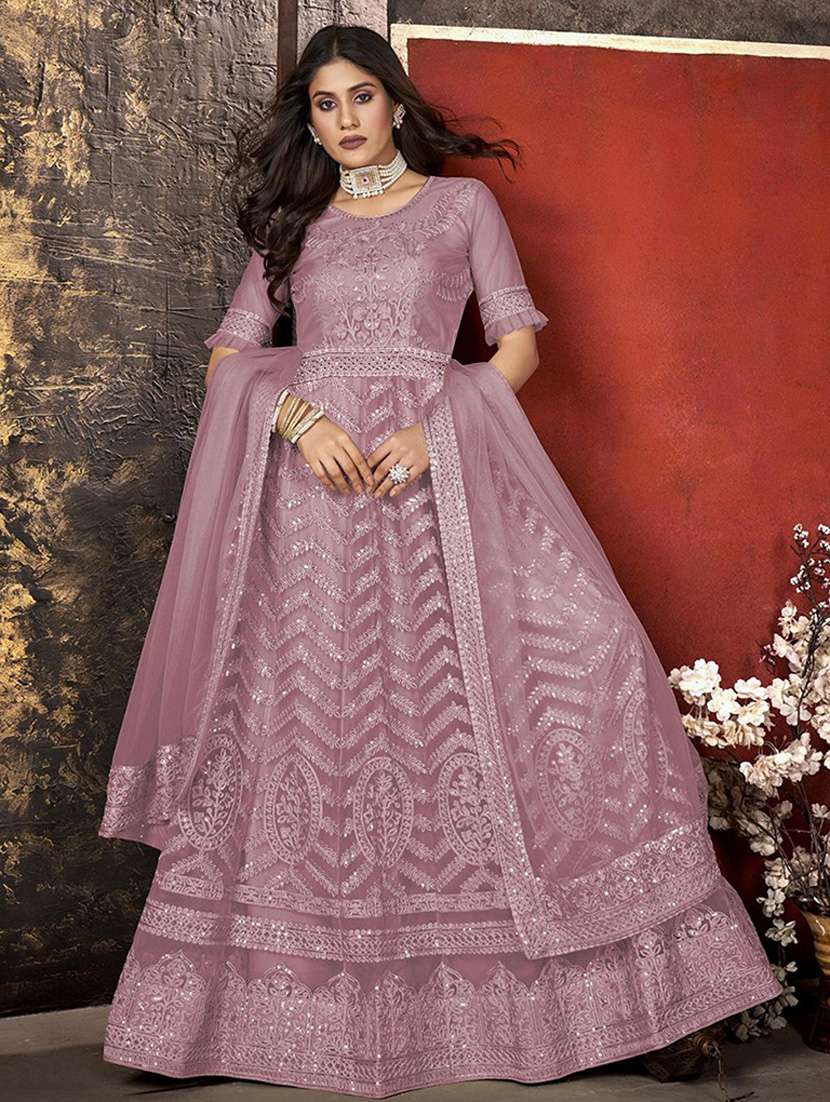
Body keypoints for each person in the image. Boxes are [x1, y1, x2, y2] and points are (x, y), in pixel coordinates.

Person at [98, 23, 782, 1097]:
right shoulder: (294, 224)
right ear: (309, 122)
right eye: (323, 105)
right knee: (303, 719)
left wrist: (437, 428)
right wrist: (296, 418)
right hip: (312, 512)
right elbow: (230, 354)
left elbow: (518, 348)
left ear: (395, 101)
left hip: (440, 493)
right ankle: (228, 1018)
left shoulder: (462, 209)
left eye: (360, 97)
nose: (345, 120)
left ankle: (626, 999)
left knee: (527, 689)